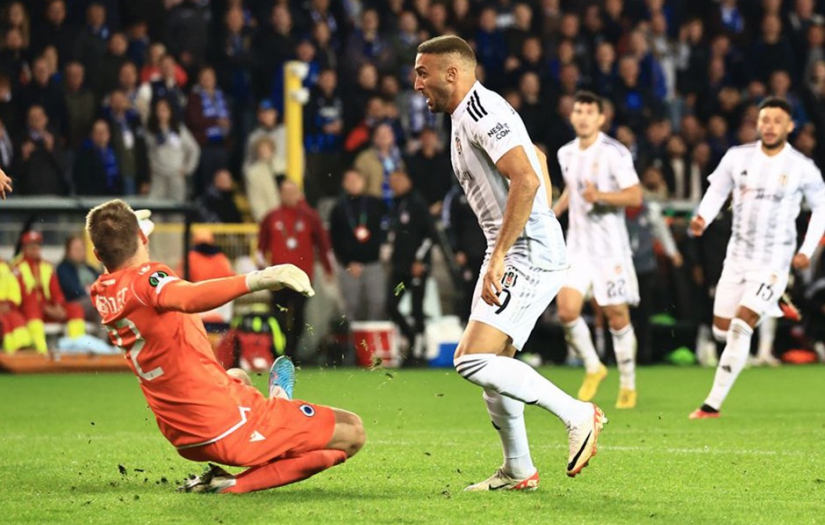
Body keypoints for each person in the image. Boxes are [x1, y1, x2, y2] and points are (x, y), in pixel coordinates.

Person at [414, 35, 605, 491]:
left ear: (452, 73)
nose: (417, 82)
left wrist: (508, 251)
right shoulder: (469, 114)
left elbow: (524, 177)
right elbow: (536, 157)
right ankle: (518, 469)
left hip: (524, 252)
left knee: (472, 359)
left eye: (423, 72)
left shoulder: (482, 113)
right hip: (514, 245)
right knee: (495, 365)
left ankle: (578, 414)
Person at [86, 199, 364, 493]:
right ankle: (232, 482)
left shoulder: (102, 291)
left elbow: (121, 263)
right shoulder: (149, 282)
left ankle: (279, 419)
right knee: (352, 432)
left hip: (183, 432)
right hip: (223, 425)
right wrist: (259, 279)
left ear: (97, 254)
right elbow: (187, 297)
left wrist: (129, 234)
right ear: (142, 238)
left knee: (238, 376)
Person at [688, 97, 825, 419]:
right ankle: (773, 304)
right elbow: (718, 190)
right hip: (737, 257)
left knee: (740, 324)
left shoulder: (801, 167)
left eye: (777, 121)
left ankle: (712, 404)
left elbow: (821, 207)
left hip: (774, 260)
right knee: (721, 328)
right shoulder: (737, 157)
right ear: (757, 123)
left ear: (790, 126)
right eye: (765, 120)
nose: (770, 126)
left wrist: (806, 250)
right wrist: (702, 218)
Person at [552, 91, 644, 409]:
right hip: (577, 247)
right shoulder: (565, 153)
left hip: (610, 250)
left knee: (617, 316)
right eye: (578, 110)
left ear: (601, 118)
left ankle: (628, 384)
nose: (583, 116)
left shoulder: (615, 153)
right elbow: (571, 192)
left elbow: (635, 196)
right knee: (566, 310)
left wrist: (601, 196)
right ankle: (594, 366)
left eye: (590, 111)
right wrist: (555, 210)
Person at [258, 180, 334, 359]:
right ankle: (279, 349)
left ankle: (293, 350)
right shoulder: (271, 216)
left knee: (299, 314)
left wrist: (328, 268)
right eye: (285, 192)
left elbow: (323, 245)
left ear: (299, 194)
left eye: (292, 192)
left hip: (302, 276)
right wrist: (261, 270)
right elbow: (261, 247)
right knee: (278, 314)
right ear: (280, 194)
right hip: (276, 277)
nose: (289, 196)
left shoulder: (310, 216)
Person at [385, 170, 438, 364]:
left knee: (417, 309)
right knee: (391, 305)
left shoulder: (417, 203)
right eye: (391, 182)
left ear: (407, 180)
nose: (394, 185)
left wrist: (419, 261)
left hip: (416, 267)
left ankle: (418, 351)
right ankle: (411, 337)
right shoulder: (397, 205)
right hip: (400, 267)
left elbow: (430, 236)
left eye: (397, 180)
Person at [14, 231, 86, 353]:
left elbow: (56, 291)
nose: (35, 248)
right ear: (24, 247)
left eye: (37, 245)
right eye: (31, 245)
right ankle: (42, 353)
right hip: (29, 312)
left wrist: (58, 306)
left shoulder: (46, 266)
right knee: (32, 308)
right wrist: (46, 308)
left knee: (75, 309)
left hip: (49, 311)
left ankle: (76, 349)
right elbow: (25, 297)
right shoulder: (17, 267)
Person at [329, 169, 386, 323]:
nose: (353, 183)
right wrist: (347, 262)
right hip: (349, 266)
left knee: (377, 301)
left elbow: (382, 230)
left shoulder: (374, 204)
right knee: (350, 305)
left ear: (363, 182)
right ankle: (352, 343)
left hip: (372, 263)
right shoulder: (339, 208)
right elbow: (335, 239)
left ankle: (374, 340)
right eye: (349, 180)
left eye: (356, 180)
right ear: (344, 184)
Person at [56, 234, 100, 323]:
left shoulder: (90, 269)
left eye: (81, 249)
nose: (79, 252)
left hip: (93, 301)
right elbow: (73, 290)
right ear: (68, 251)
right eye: (76, 249)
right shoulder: (63, 269)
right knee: (100, 303)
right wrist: (93, 294)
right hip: (74, 304)